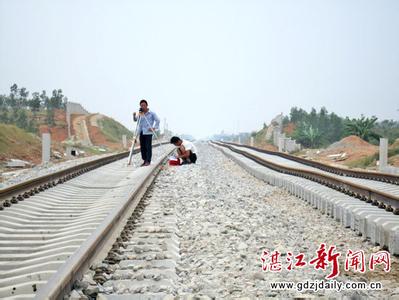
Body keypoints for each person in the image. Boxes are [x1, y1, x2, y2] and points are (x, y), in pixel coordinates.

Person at [133, 99, 160, 166]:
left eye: (144, 105)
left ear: (147, 105)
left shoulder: (151, 113)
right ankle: (144, 160)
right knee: (142, 147)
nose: (142, 107)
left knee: (148, 147)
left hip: (148, 132)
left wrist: (154, 128)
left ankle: (148, 161)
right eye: (141, 105)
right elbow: (135, 120)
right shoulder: (140, 113)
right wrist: (134, 115)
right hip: (141, 132)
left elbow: (158, 120)